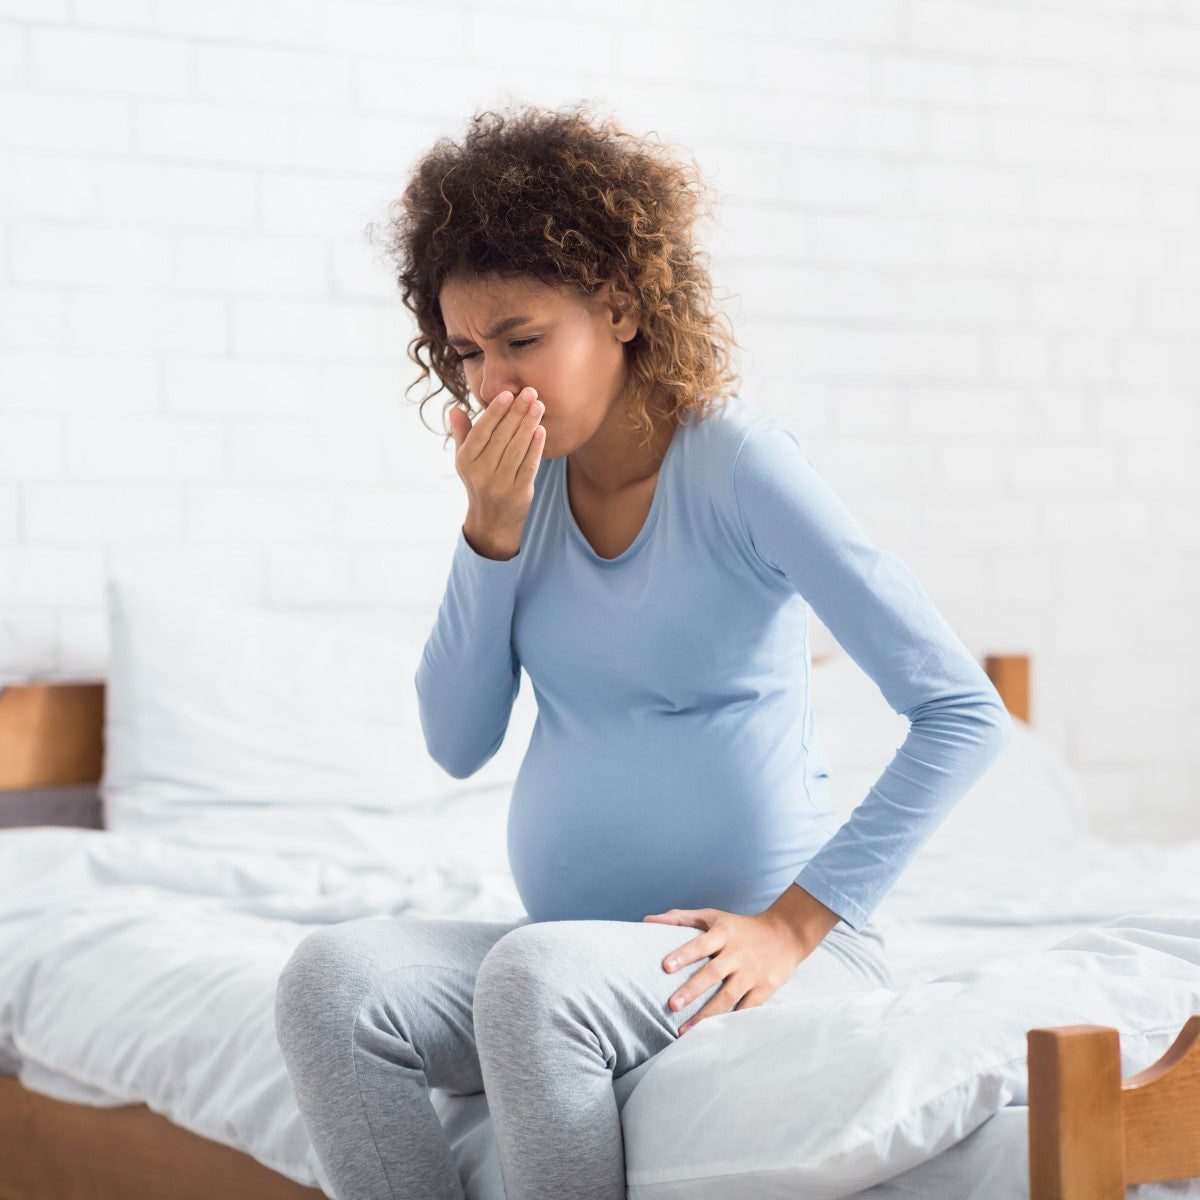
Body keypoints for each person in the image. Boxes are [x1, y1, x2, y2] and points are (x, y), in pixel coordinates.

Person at [274, 101, 1015, 1200]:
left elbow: (963, 710)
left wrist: (791, 927)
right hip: (581, 965)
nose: (491, 385)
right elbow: (455, 741)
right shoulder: (520, 492)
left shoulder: (738, 465)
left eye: (522, 340)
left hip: (765, 961)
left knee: (531, 976)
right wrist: (488, 535)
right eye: (468, 352)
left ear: (620, 307)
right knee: (328, 981)